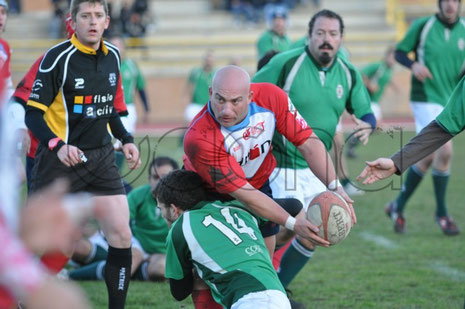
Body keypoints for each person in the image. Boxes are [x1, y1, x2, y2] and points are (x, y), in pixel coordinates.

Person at [24, 1, 141, 309]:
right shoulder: (56, 59)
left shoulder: (113, 56)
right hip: (58, 162)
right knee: (47, 242)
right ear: (72, 21)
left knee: (120, 233)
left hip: (101, 158)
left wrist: (126, 139)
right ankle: (22, 297)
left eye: (98, 16)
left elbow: (110, 110)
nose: (92, 21)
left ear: (106, 21)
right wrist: (57, 146)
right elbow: (33, 116)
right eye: (85, 16)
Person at [252, 9, 374, 291]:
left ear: (341, 38)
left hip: (317, 169)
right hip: (279, 166)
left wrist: (367, 125)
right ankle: (254, 286)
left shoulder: (348, 71)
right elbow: (250, 93)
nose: (326, 40)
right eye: (320, 33)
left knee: (314, 234)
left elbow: (365, 111)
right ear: (309, 36)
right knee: (279, 231)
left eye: (332, 34)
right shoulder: (287, 63)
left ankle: (276, 290)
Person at [183, 65, 355, 261]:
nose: (226, 110)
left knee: (264, 259)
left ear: (250, 97)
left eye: (235, 101)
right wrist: (292, 223)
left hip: (257, 183)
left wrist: (336, 187)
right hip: (208, 193)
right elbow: (245, 195)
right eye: (220, 99)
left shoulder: (271, 98)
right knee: (211, 265)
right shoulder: (199, 138)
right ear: (210, 93)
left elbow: (308, 143)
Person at [155, 169, 292, 309]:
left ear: (173, 209)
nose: (162, 216)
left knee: (198, 273)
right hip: (278, 297)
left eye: (161, 209)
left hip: (251, 302)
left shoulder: (180, 228)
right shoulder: (239, 206)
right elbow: (294, 205)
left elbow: (179, 292)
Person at [385, 0, 463, 235]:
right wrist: (415, 65)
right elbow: (399, 53)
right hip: (426, 96)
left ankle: (397, 206)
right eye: (446, 0)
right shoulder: (423, 26)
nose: (450, 5)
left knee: (427, 157)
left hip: (451, 99)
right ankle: (441, 214)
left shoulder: (464, 30)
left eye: (455, 1)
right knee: (445, 150)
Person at [357, 72, 465, 217]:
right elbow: (442, 128)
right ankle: (436, 212)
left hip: (441, 96)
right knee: (442, 152)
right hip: (427, 96)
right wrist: (396, 161)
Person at [69, 156, 177, 281]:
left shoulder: (180, 203)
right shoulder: (140, 194)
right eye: (155, 177)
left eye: (164, 177)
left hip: (160, 253)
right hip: (135, 245)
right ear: (149, 179)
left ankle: (72, 274)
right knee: (76, 248)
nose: (158, 182)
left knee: (159, 270)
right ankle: (129, 267)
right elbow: (118, 217)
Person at [346, 46, 397, 159]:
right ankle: (353, 140)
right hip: (370, 101)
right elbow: (361, 74)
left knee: (375, 127)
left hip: (375, 102)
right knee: (375, 125)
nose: (394, 60)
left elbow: (384, 79)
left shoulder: (389, 70)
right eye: (393, 57)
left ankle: (353, 139)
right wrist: (370, 85)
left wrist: (394, 87)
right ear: (387, 56)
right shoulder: (379, 66)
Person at [184, 50, 215, 123]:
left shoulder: (215, 74)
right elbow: (189, 87)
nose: (208, 63)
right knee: (189, 123)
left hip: (208, 106)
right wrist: (186, 99)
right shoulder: (196, 72)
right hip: (195, 104)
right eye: (207, 60)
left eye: (210, 61)